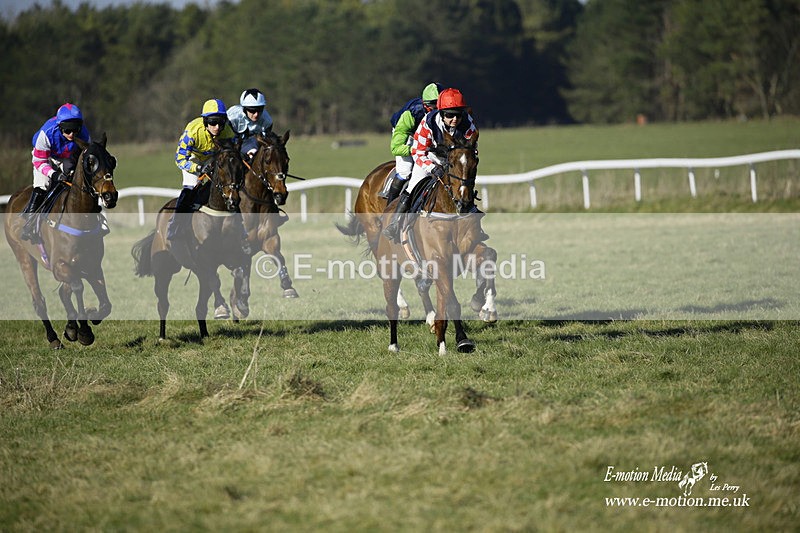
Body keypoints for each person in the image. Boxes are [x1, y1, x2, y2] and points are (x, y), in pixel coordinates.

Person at [383, 88, 478, 243]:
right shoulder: (428, 123)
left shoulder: (468, 124)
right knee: (412, 185)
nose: (454, 119)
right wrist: (432, 167)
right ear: (441, 113)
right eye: (449, 115)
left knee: (464, 184)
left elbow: (472, 148)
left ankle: (473, 220)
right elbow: (418, 152)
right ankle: (395, 223)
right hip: (429, 157)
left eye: (458, 114)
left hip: (452, 159)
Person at [21, 102, 91, 242]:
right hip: (45, 157)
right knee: (44, 184)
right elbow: (39, 162)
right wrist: (54, 174)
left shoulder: (84, 134)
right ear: (59, 127)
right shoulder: (46, 134)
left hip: (66, 157)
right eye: (67, 131)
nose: (72, 134)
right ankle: (29, 223)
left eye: (75, 130)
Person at [169, 98, 236, 241]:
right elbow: (180, 159)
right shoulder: (192, 132)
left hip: (213, 158)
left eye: (221, 122)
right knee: (192, 186)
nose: (217, 127)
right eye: (213, 122)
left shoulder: (228, 132)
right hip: (192, 158)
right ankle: (176, 224)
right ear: (205, 121)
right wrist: (198, 168)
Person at [382, 82, 442, 203]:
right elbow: (396, 148)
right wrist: (418, 149)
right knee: (405, 170)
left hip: (427, 136)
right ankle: (389, 210)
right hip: (408, 135)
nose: (437, 113)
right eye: (434, 108)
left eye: (441, 108)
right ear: (425, 105)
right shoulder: (412, 114)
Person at [226, 88, 274, 161]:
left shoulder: (267, 121)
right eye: (252, 110)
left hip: (251, 147)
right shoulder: (232, 117)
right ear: (244, 108)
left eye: (260, 110)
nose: (256, 114)